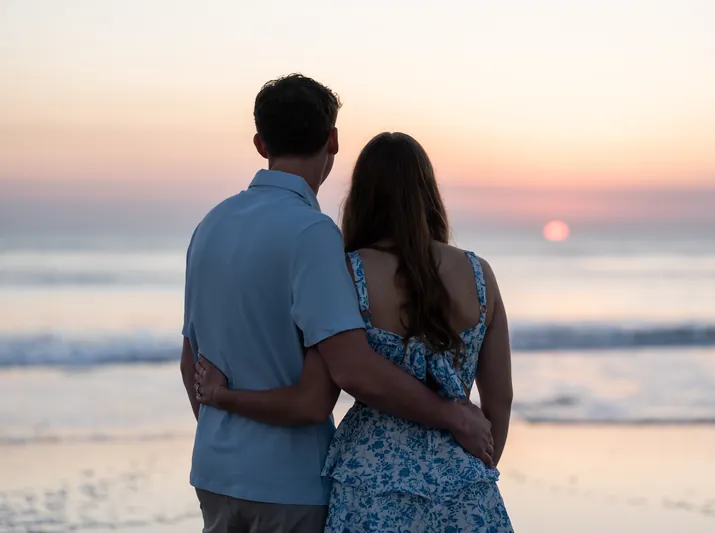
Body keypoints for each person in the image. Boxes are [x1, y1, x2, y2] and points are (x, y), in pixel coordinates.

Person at [180, 75, 494, 533]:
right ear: (333, 139)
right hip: (288, 484)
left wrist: (224, 434)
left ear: (260, 142)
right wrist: (453, 415)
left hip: (214, 476)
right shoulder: (312, 233)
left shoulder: (209, 226)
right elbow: (351, 372)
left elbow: (192, 359)